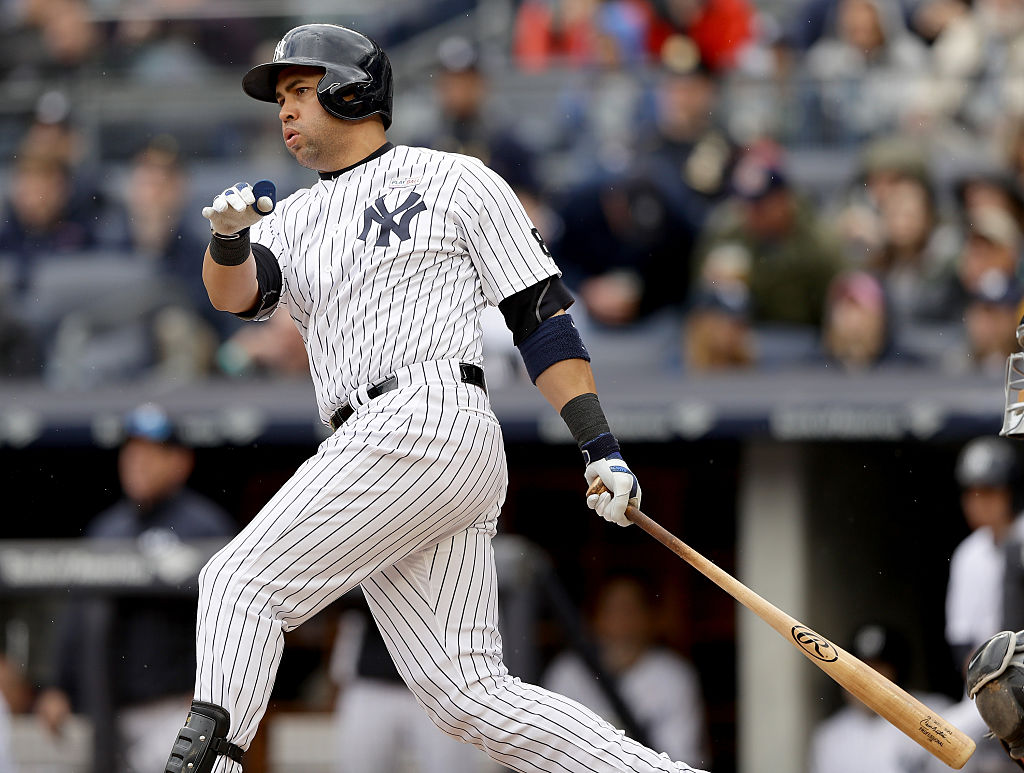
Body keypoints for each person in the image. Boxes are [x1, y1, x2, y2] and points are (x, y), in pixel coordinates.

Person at [161, 23, 703, 773]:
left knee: (238, 583)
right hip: (381, 437)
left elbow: (540, 321)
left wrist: (600, 445)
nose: (284, 109)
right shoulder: (289, 217)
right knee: (466, 691)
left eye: (298, 90)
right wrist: (226, 239)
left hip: (425, 415)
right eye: (278, 97)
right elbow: (239, 296)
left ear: (353, 91)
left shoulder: (458, 178)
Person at [37, 403, 236, 773]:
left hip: (176, 711)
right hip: (108, 714)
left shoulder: (205, 526)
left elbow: (230, 617)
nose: (136, 460)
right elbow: (77, 613)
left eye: (151, 451)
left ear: (181, 461)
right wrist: (58, 685)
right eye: (131, 449)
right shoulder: (107, 529)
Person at [542, 574, 708, 767]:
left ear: (650, 618)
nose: (621, 623)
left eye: (630, 611)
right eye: (612, 612)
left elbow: (681, 760)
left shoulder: (675, 676)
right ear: (595, 620)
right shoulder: (567, 672)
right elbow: (549, 750)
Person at [807, 623, 954, 773]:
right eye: (857, 669)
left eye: (876, 670)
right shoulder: (829, 736)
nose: (864, 680)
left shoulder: (936, 715)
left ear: (897, 675)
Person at [946, 436, 1024, 673]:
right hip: (989, 679)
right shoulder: (969, 554)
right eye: (972, 492)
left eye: (989, 491)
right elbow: (961, 640)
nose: (978, 502)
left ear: (1011, 492)